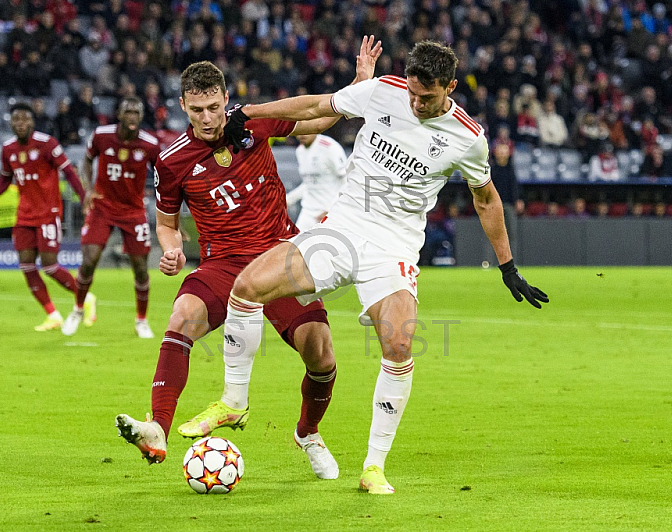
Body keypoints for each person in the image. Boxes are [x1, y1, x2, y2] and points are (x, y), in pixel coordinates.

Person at [219, 40, 548, 494]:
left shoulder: (467, 137)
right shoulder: (383, 90)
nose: (416, 103)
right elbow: (318, 104)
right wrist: (250, 111)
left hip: (394, 246)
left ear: (451, 87)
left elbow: (485, 196)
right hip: (345, 227)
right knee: (248, 284)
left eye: (427, 97)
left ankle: (374, 466)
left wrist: (508, 266)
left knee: (398, 344)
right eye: (413, 93)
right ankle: (233, 401)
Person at [115, 37, 381, 480]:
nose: (206, 118)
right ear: (183, 105)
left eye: (214, 108)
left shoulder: (253, 124)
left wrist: (357, 84)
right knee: (181, 316)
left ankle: (308, 433)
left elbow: (317, 116)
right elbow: (166, 222)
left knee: (322, 356)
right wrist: (174, 247)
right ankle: (157, 428)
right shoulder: (171, 160)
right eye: (196, 110)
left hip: (280, 255)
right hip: (223, 263)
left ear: (225, 100)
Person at [0, 103, 87, 331]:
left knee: (49, 266)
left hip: (48, 213)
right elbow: (4, 179)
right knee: (27, 266)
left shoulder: (47, 144)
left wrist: (84, 198)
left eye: (24, 119)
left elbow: (69, 172)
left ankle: (85, 298)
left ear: (32, 122)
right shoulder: (8, 149)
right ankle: (53, 315)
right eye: (16, 120)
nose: (20, 124)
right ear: (10, 123)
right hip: (24, 216)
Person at [61, 97, 161, 338]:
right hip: (102, 207)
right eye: (128, 111)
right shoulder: (101, 135)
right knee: (89, 260)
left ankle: (141, 320)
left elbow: (163, 174)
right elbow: (87, 159)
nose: (133, 116)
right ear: (119, 113)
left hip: (133, 211)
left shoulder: (149, 144)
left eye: (137, 112)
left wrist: (166, 207)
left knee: (140, 269)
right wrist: (86, 190)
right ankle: (77, 309)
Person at [286, 133, 347, 232]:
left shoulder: (330, 147)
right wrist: (288, 200)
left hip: (331, 213)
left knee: (330, 246)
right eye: (300, 128)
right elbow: (309, 183)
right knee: (295, 244)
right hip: (308, 211)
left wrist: (331, 209)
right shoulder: (300, 151)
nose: (303, 133)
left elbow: (347, 181)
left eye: (307, 127)